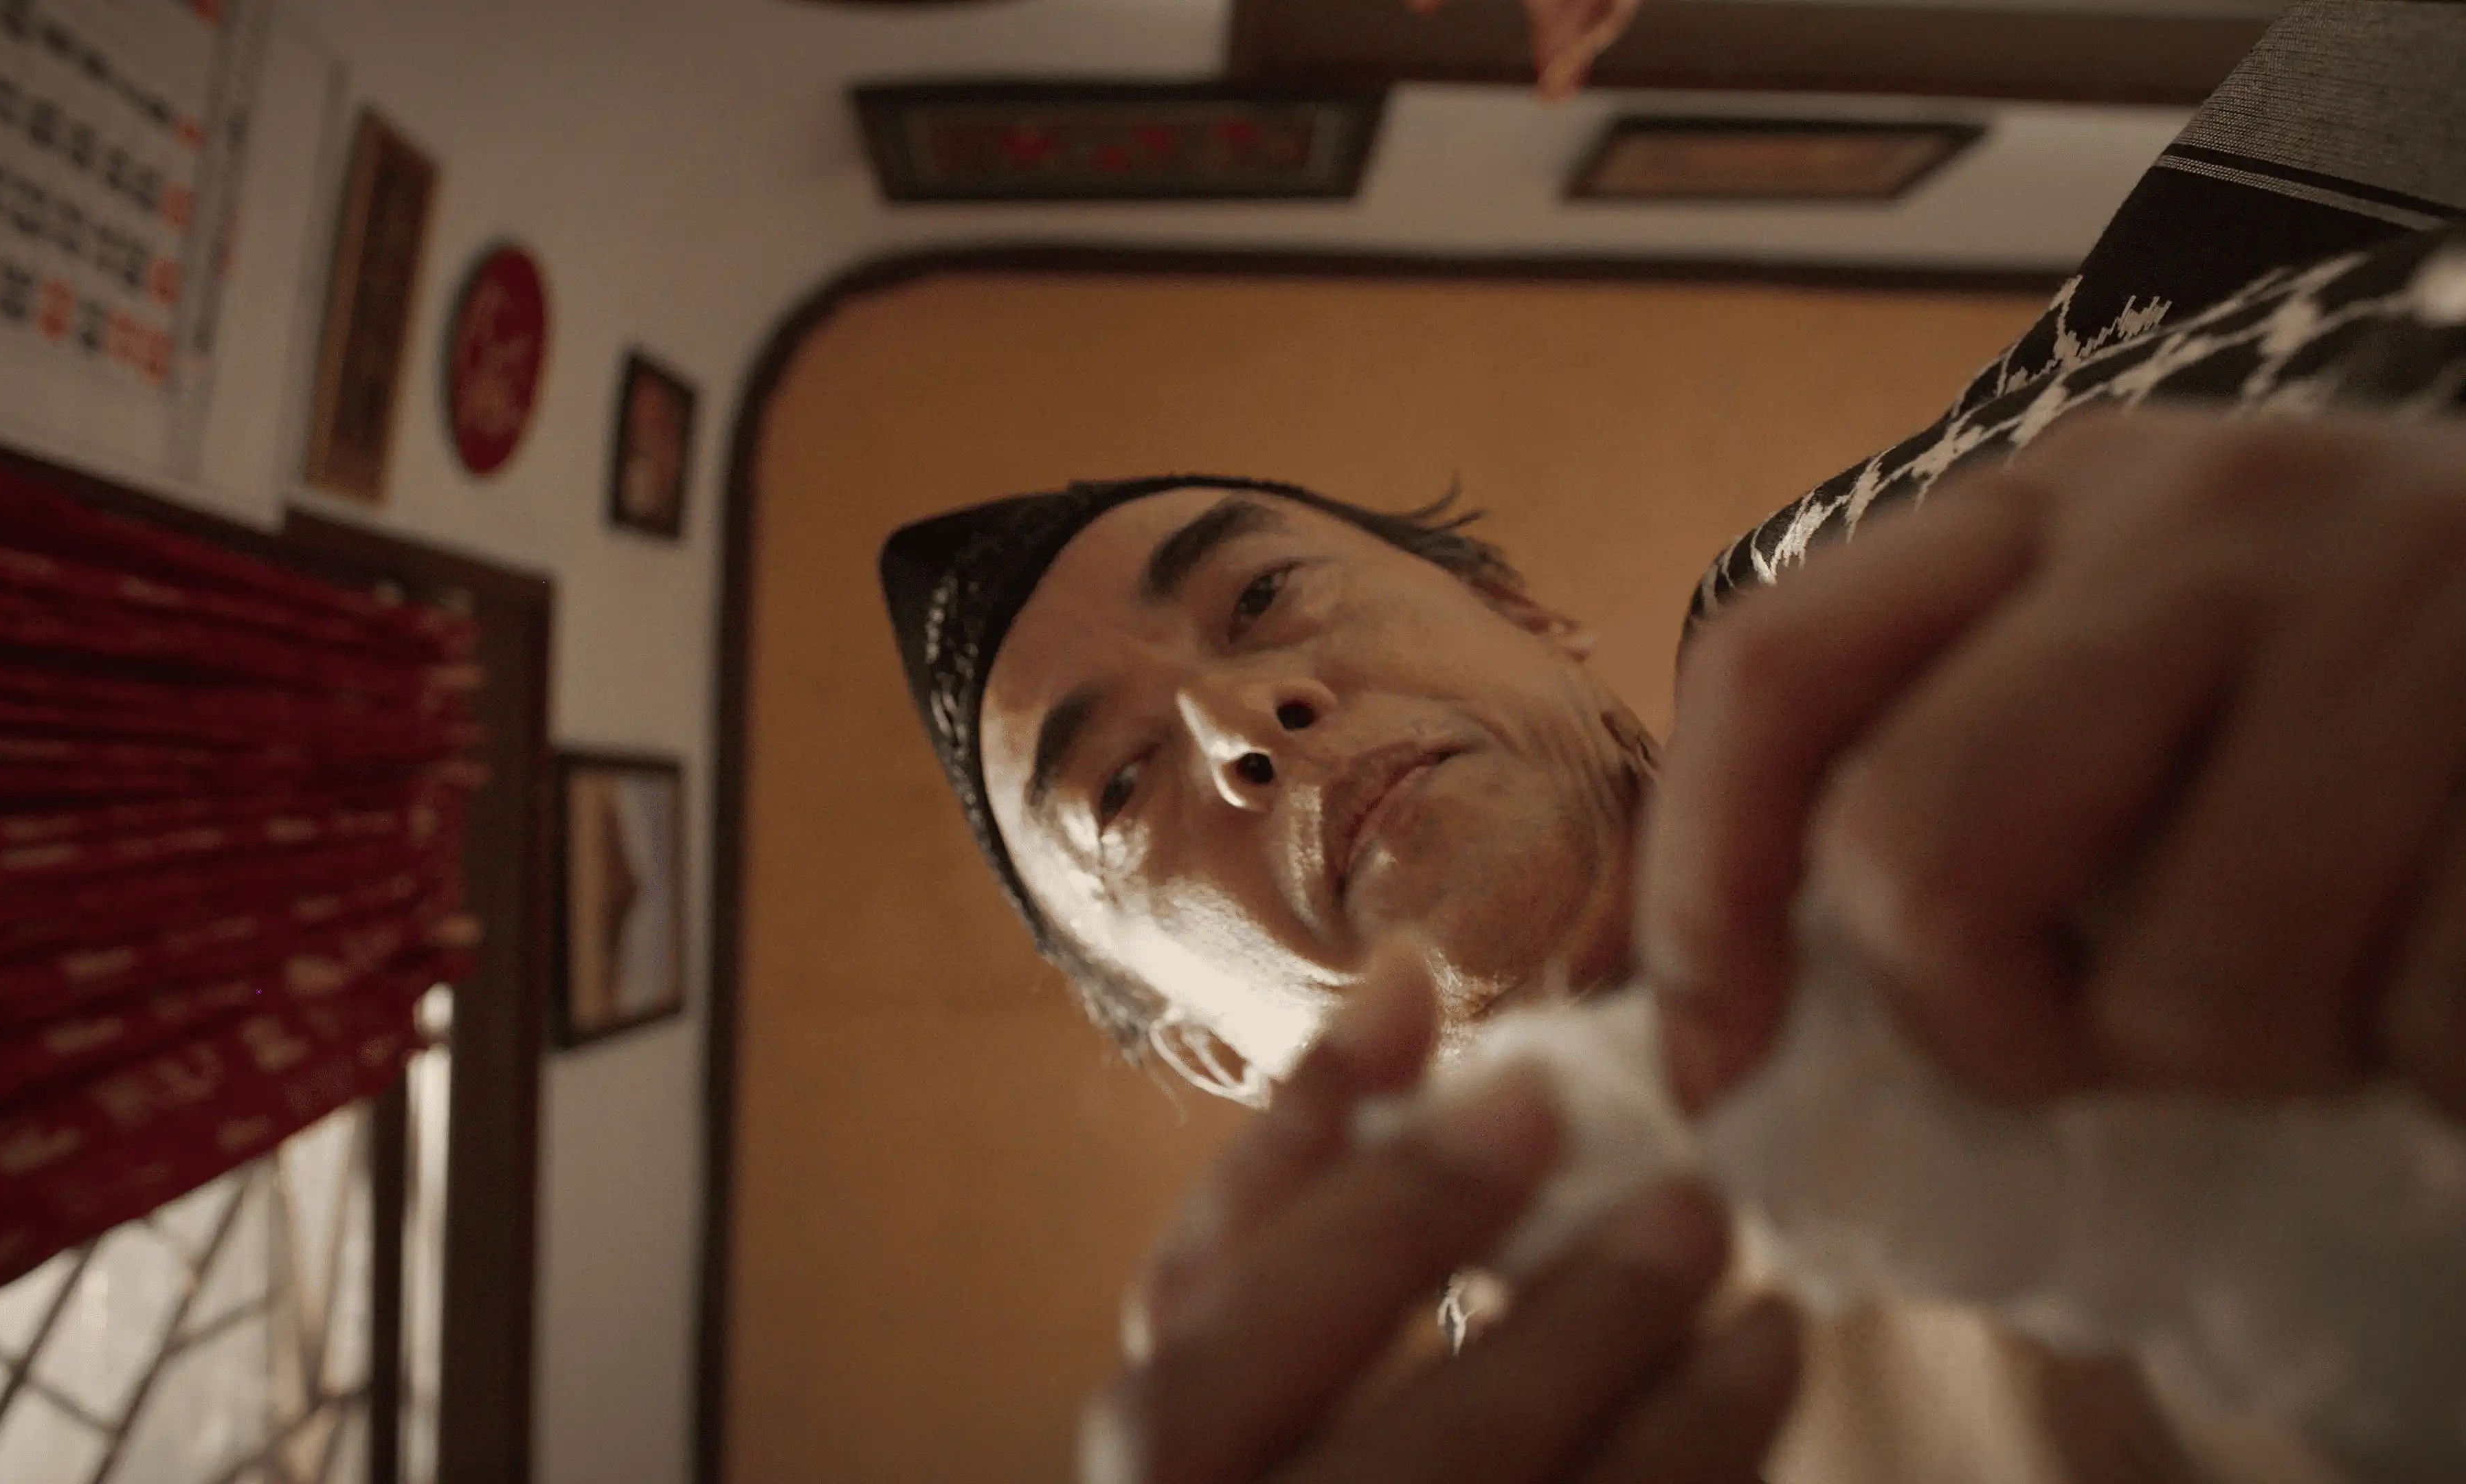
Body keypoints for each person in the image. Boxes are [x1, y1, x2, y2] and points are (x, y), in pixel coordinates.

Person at [875, 3, 2466, 1479]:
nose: (1242, 720)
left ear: (1525, 616)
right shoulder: (1517, 1443)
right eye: (1119, 787)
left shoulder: (1895, 584)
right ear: (1218, 1055)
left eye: (1263, 595)